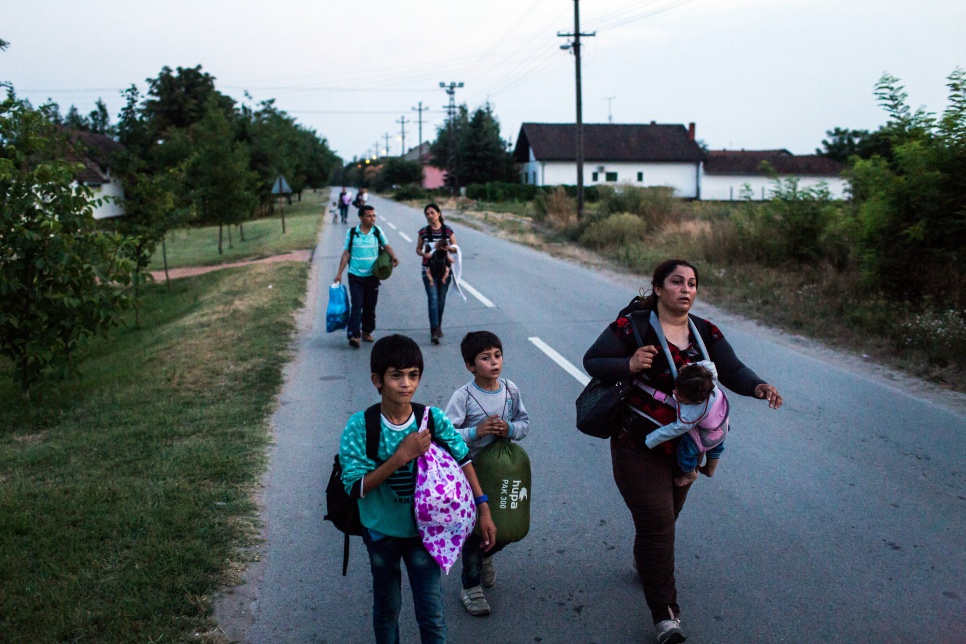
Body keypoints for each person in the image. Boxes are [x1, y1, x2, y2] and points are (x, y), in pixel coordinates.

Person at [582, 258, 782, 644]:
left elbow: (733, 370)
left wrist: (759, 386)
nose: (686, 289)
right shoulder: (633, 327)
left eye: (692, 283)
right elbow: (592, 361)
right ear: (658, 288)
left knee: (663, 523)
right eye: (677, 282)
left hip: (684, 449)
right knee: (659, 527)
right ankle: (666, 616)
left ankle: (647, 565)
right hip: (636, 444)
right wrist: (628, 362)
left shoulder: (705, 332)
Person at [339, 334, 497, 644]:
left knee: (431, 613)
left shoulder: (431, 419)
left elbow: (463, 458)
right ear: (377, 380)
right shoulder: (361, 425)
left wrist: (484, 507)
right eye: (396, 376)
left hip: (425, 535)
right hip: (381, 534)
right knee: (387, 610)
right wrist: (400, 458)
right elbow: (355, 486)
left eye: (413, 375)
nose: (405, 384)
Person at [444, 331, 530, 617]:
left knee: (506, 524)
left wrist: (511, 429)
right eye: (485, 358)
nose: (494, 362)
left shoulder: (510, 390)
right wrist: (475, 431)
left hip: (502, 471)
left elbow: (524, 423)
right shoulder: (463, 397)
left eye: (497, 355)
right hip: (471, 472)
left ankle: (484, 557)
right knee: (475, 529)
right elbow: (445, 435)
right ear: (470, 365)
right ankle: (470, 586)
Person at [642, 360, 729, 487]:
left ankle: (689, 474)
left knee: (686, 451)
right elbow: (710, 365)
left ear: (696, 401)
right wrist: (690, 367)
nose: (675, 394)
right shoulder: (711, 381)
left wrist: (651, 439)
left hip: (705, 430)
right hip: (721, 424)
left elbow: (675, 429)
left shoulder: (690, 414)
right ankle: (710, 469)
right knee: (717, 446)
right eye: (676, 389)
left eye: (681, 397)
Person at [334, 205, 399, 349]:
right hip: (355, 275)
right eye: (369, 216)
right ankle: (354, 335)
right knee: (357, 305)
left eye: (374, 215)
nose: (372, 218)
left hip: (372, 276)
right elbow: (346, 254)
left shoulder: (377, 231)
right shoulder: (352, 233)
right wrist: (339, 273)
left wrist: (394, 257)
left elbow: (386, 246)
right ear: (361, 217)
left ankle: (367, 331)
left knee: (370, 306)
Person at [416, 203, 456, 344]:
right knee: (433, 300)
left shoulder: (448, 231)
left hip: (444, 270)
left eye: (432, 213)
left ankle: (438, 326)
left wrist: (447, 248)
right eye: (427, 214)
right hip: (428, 271)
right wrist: (425, 254)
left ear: (439, 213)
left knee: (441, 300)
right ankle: (434, 331)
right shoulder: (423, 232)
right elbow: (418, 249)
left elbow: (455, 248)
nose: (429, 216)